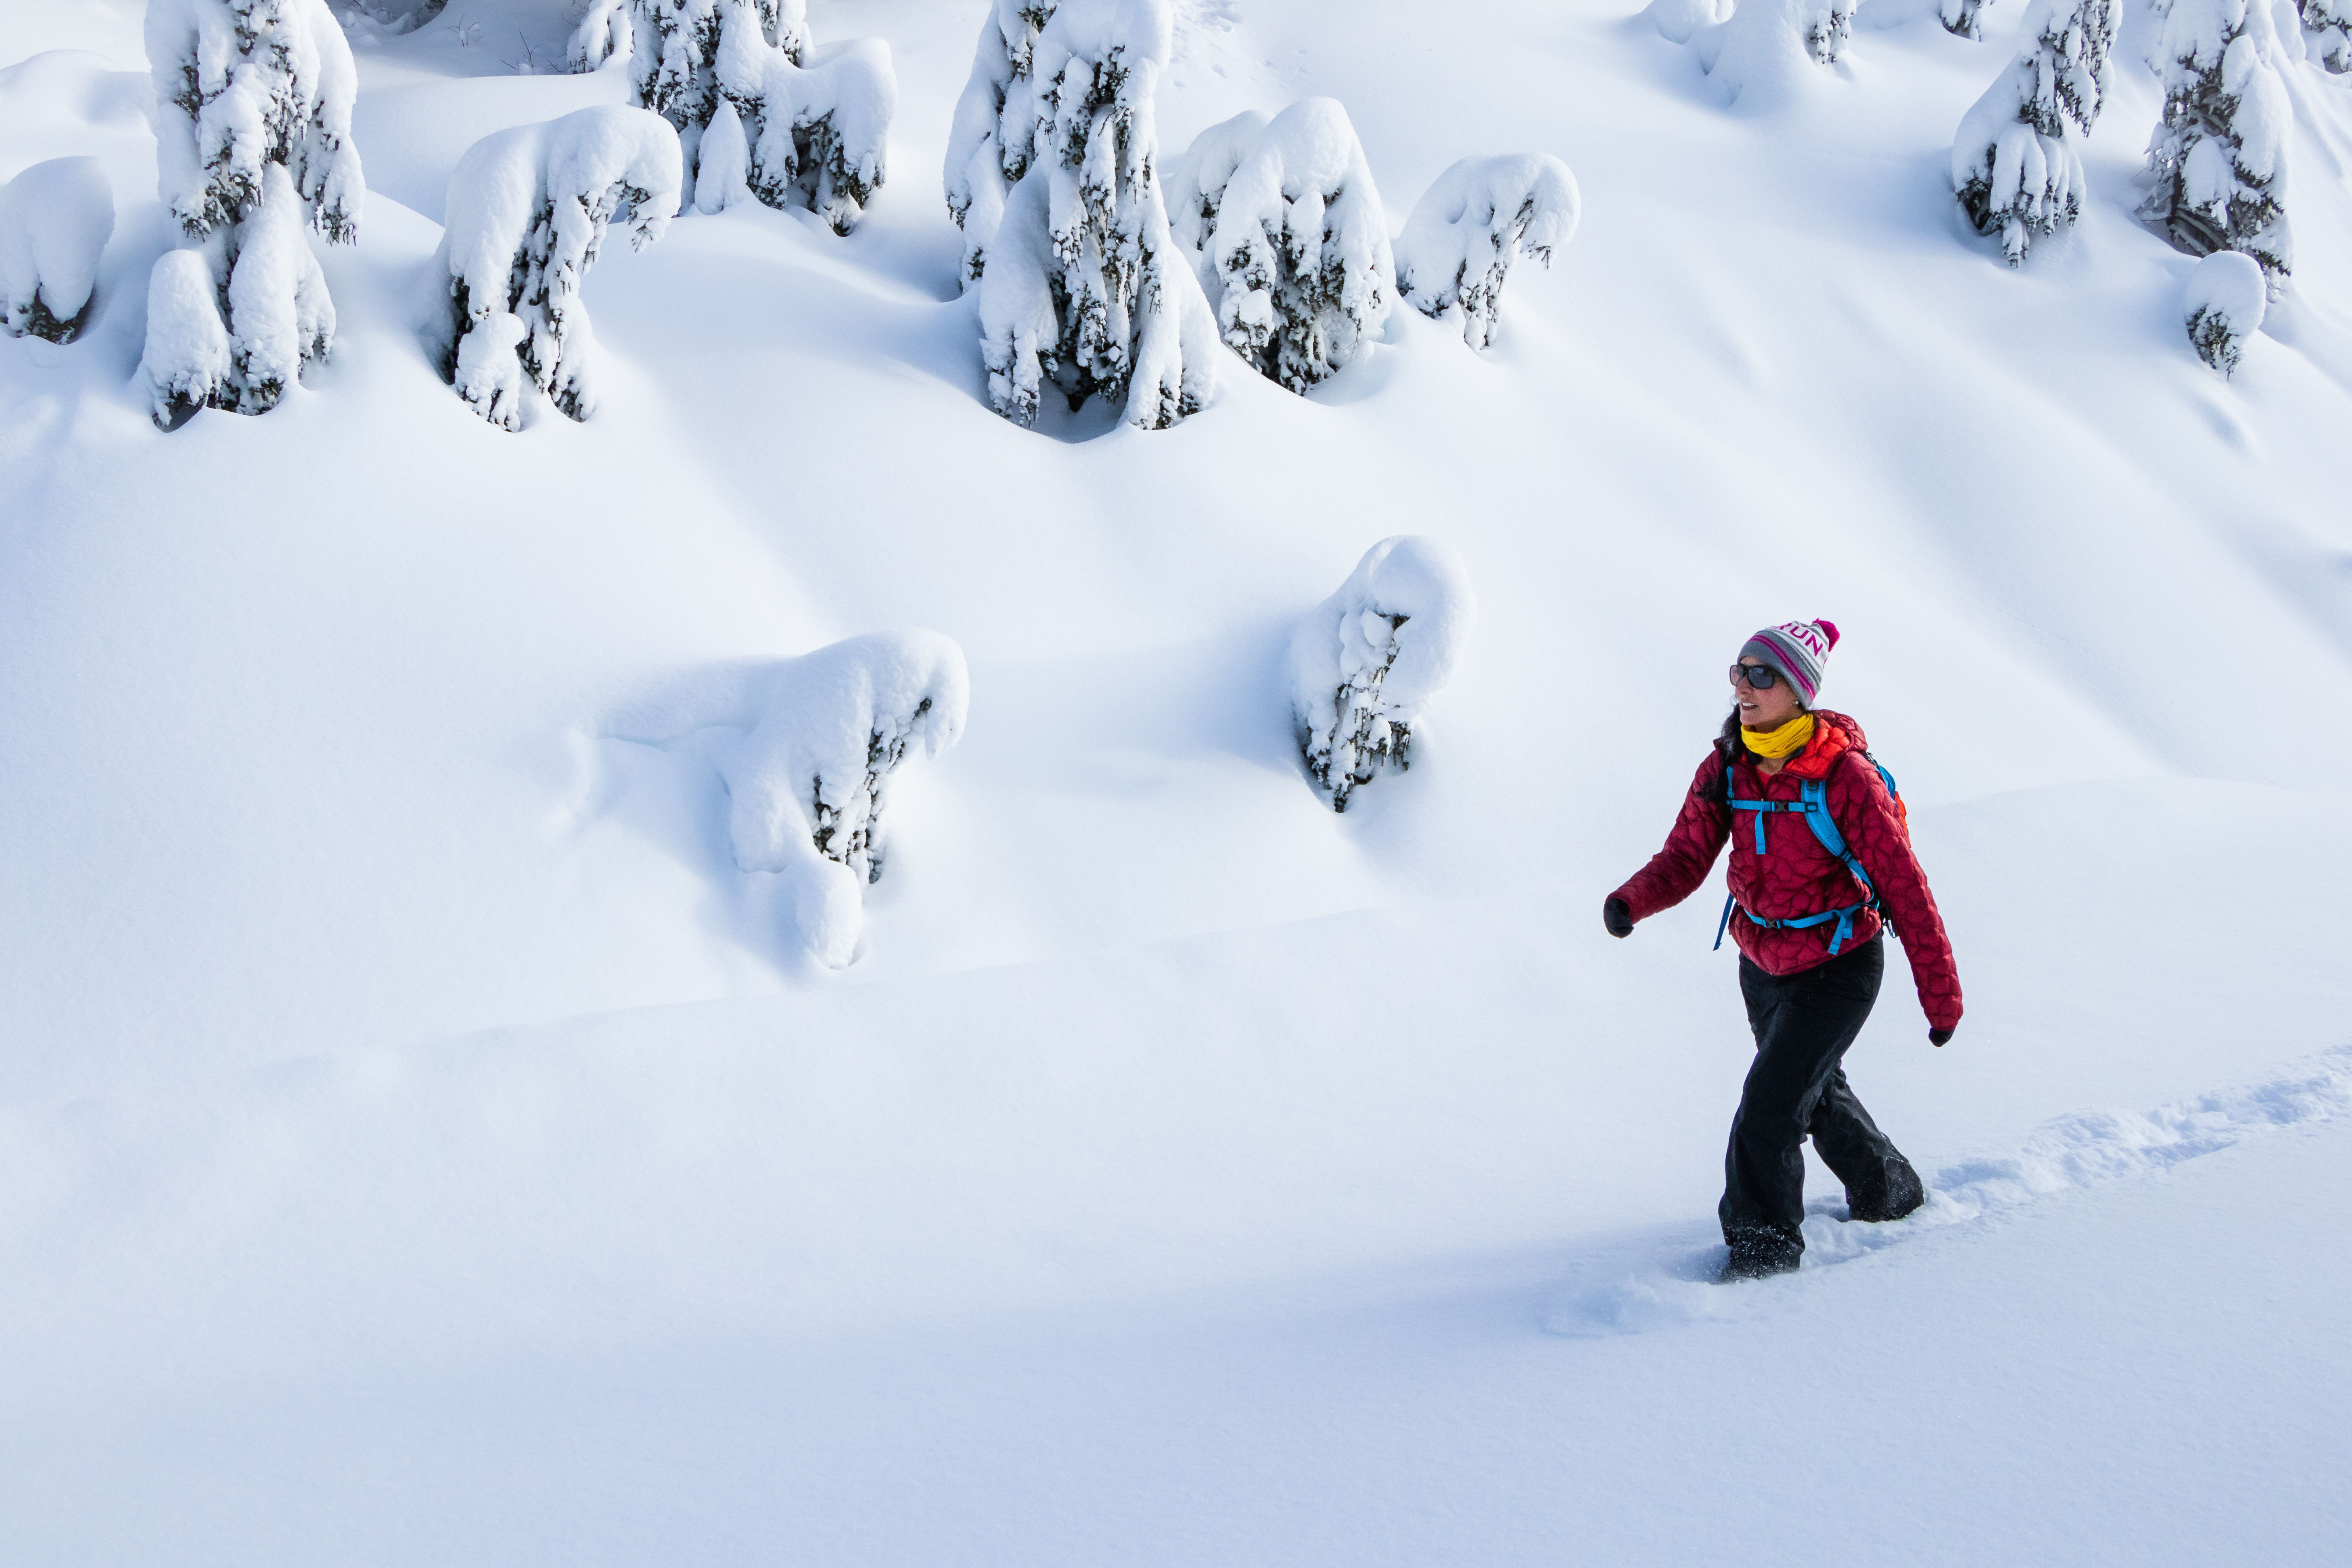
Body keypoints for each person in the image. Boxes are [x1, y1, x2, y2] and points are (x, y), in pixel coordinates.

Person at [1603, 619, 1962, 1281]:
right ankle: (1890, 1190)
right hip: (1761, 965)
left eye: (1760, 674)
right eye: (1738, 670)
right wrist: (1631, 901)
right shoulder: (1728, 763)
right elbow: (1686, 855)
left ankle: (1763, 1251)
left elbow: (1905, 888)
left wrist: (1941, 999)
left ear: (1798, 691)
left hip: (1838, 966)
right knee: (1814, 1092)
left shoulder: (1844, 777)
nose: (1742, 684)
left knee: (1768, 1110)